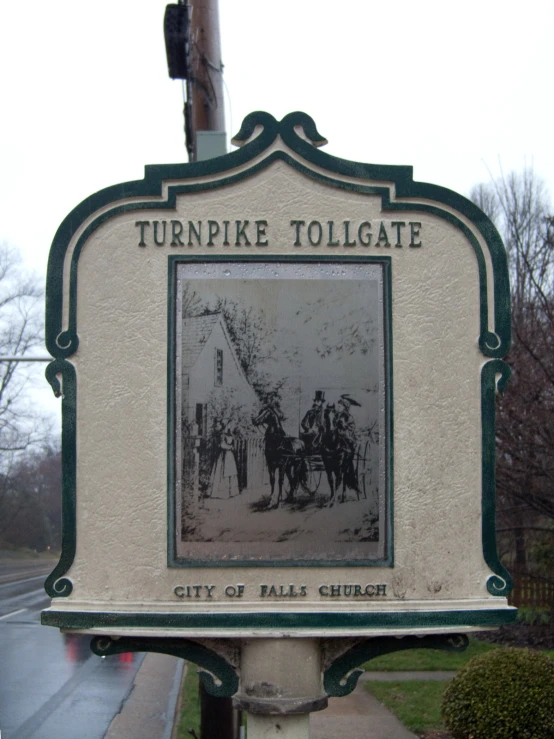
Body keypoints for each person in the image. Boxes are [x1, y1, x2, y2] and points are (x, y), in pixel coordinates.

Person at [336, 394, 362, 495]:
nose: (338, 407)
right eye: (338, 405)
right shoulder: (336, 415)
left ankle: (350, 480)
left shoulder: (349, 417)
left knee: (348, 455)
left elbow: (351, 428)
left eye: (340, 406)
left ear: (344, 407)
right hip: (337, 438)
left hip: (347, 440)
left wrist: (344, 427)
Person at [210, 418, 239, 498]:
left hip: (230, 456)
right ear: (226, 425)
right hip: (223, 455)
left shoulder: (230, 434)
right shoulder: (222, 434)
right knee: (223, 472)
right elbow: (221, 445)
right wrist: (230, 447)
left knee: (230, 472)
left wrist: (232, 447)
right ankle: (222, 493)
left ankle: (231, 492)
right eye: (229, 424)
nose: (231, 426)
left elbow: (232, 444)